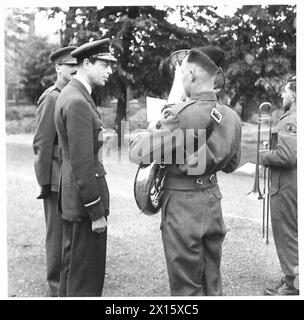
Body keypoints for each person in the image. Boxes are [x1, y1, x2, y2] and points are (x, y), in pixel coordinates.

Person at [129, 46, 242, 295]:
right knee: (212, 282)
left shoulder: (179, 114)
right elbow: (232, 165)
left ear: (191, 74)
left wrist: (150, 130)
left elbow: (137, 153)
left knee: (186, 289)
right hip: (212, 202)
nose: (180, 79)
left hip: (182, 207)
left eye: (181, 74)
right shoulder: (232, 117)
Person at [54, 38, 117, 297]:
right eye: (105, 64)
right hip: (83, 203)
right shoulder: (78, 101)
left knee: (72, 275)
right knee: (85, 282)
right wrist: (95, 211)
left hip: (73, 198)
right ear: (87, 63)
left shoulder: (72, 94)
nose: (110, 70)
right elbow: (82, 163)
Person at [33, 46, 78, 297]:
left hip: (70, 176)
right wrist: (44, 182)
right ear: (58, 68)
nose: (74, 70)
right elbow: (41, 143)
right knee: (57, 235)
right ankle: (56, 286)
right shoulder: (51, 97)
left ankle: (68, 283)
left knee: (71, 234)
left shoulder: (73, 93)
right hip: (56, 179)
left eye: (76, 66)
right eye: (69, 66)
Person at [262, 76, 298, 295]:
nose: (281, 95)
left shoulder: (289, 120)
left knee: (286, 234)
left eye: (285, 92)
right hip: (293, 184)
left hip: (286, 186)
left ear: (293, 95)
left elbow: (287, 156)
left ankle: (293, 284)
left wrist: (265, 156)